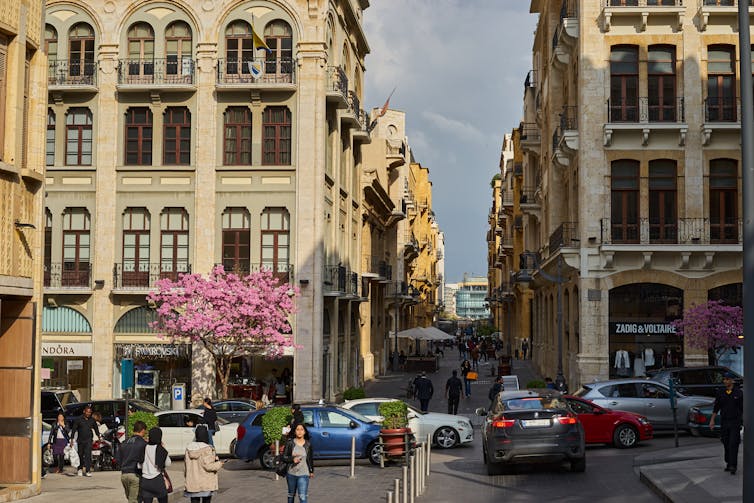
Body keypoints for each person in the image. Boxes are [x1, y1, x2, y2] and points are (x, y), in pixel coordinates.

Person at [710, 372, 743, 475]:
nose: (725, 381)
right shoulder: (721, 392)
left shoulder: (739, 393)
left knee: (734, 443)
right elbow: (716, 407)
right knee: (726, 442)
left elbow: (743, 409)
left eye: (727, 379)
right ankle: (729, 463)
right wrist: (712, 420)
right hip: (724, 422)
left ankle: (733, 466)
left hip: (735, 422)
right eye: (724, 379)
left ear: (732, 381)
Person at [184, 425, 223, 503]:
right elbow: (208, 466)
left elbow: (186, 465)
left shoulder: (189, 448)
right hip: (206, 483)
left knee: (194, 500)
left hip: (193, 482)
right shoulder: (208, 449)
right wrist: (219, 463)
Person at [282, 422, 314, 503]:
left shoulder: (308, 444)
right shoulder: (290, 443)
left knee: (302, 496)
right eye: (297, 429)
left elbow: (310, 459)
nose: (299, 431)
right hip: (291, 473)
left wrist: (311, 471)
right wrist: (292, 459)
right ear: (294, 431)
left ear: (304, 432)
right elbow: (284, 457)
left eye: (301, 429)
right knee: (291, 495)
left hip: (303, 473)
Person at [139, 427, 171, 503]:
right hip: (157, 480)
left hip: (145, 481)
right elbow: (168, 463)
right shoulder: (160, 449)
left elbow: (139, 465)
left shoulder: (144, 448)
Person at [118, 420, 148, 503]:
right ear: (142, 430)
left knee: (130, 499)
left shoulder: (124, 443)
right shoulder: (143, 443)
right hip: (135, 475)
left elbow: (118, 459)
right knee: (134, 500)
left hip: (124, 475)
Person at [70, 405, 99, 476]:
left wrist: (98, 436)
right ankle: (80, 469)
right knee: (80, 454)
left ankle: (88, 470)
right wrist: (72, 439)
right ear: (84, 411)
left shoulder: (92, 420)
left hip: (89, 440)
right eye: (87, 412)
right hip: (80, 440)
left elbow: (96, 428)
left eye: (90, 412)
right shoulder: (78, 419)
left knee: (88, 455)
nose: (89, 413)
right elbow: (74, 429)